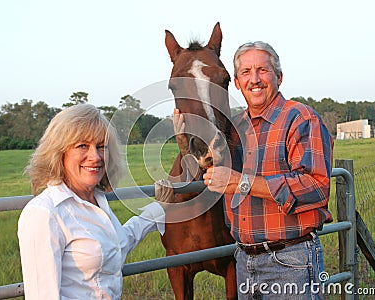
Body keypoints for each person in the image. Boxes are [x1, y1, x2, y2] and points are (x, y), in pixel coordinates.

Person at [174, 41, 334, 299]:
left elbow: (316, 187)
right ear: (237, 83)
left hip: (289, 260)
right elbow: (209, 172)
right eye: (246, 72)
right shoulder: (234, 128)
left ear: (279, 77)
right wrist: (185, 141)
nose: (255, 79)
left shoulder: (301, 119)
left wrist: (242, 183)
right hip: (244, 263)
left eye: (263, 70)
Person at [18, 103, 165, 299]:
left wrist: (159, 209)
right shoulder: (44, 213)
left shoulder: (97, 200)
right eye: (82, 146)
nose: (95, 157)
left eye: (101, 146)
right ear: (59, 152)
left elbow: (116, 245)